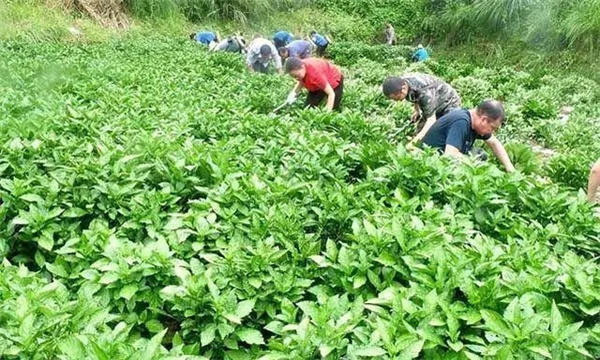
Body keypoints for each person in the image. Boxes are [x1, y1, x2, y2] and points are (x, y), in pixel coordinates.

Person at [420, 100, 515, 172]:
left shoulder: (475, 122)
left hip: (442, 159)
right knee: (475, 159)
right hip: (430, 163)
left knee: (480, 154)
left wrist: (510, 168)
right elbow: (450, 154)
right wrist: (482, 167)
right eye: (492, 128)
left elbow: (494, 143)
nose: (492, 131)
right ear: (484, 120)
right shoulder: (461, 121)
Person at [382, 73, 461, 144]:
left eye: (397, 98)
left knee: (445, 131)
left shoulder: (424, 92)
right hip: (433, 100)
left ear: (403, 89)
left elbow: (431, 121)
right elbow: (414, 95)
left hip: (449, 101)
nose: (397, 101)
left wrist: (414, 142)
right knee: (420, 131)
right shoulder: (402, 83)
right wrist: (416, 110)